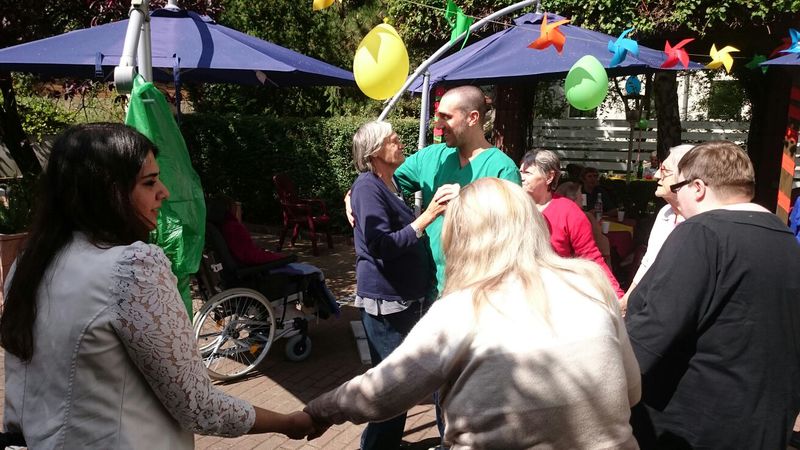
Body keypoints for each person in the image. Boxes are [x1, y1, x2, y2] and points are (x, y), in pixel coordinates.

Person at [0, 123, 314, 448]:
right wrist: (289, 422)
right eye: (149, 182)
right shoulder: (131, 267)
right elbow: (200, 407)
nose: (164, 192)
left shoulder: (30, 263)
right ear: (109, 192)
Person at [304, 178, 641, 449]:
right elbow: (631, 391)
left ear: (463, 237)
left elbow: (382, 393)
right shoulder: (591, 282)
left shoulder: (462, 308)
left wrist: (317, 412)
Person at [625, 141, 800, 449]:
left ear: (698, 188)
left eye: (678, 188)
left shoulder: (701, 232)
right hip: (765, 420)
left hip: (694, 424)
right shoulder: (784, 237)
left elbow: (654, 328)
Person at [349, 85, 521, 296]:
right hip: (427, 288)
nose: (438, 126)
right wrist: (350, 196)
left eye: (446, 117)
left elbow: (510, 238)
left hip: (474, 291)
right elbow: (377, 183)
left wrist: (467, 204)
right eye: (438, 117)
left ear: (473, 118)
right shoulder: (430, 157)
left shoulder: (502, 169)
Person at [348, 121, 456, 450]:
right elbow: (381, 245)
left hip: (403, 299)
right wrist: (428, 216)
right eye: (392, 140)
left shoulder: (389, 182)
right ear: (374, 152)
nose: (399, 142)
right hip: (385, 302)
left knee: (398, 384)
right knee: (393, 389)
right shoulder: (368, 187)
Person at [521, 150, 623, 298]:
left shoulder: (568, 211)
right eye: (521, 172)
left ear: (549, 177)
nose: (521, 177)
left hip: (554, 293)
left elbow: (590, 258)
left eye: (528, 173)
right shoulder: (513, 206)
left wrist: (616, 296)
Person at [621, 144, 694, 312]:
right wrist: (626, 301)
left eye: (664, 170)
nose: (656, 175)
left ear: (686, 177)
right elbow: (649, 261)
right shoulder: (665, 213)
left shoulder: (701, 220)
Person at [556, 181, 611, 266]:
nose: (582, 198)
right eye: (580, 195)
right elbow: (598, 241)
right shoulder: (585, 216)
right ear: (572, 198)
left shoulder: (553, 215)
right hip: (584, 264)